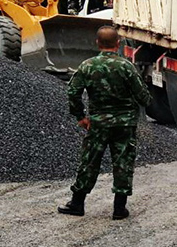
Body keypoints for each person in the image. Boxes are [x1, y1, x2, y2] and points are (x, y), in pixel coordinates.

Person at [58, 26, 151, 220]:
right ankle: (119, 208)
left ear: (98, 44)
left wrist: (80, 117)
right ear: (118, 44)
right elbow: (143, 98)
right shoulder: (126, 67)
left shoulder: (87, 66)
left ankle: (77, 203)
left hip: (98, 124)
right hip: (124, 125)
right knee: (123, 163)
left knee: (89, 162)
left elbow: (73, 92)